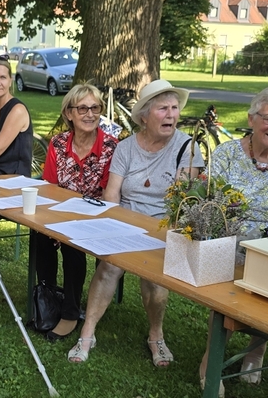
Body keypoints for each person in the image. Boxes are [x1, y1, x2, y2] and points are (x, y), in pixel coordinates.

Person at [66, 80, 204, 366]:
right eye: (162, 109)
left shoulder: (187, 148)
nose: (171, 115)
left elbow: (181, 202)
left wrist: (155, 233)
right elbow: (112, 194)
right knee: (109, 267)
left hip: (163, 226)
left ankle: (156, 334)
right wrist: (116, 227)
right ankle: (87, 332)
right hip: (125, 221)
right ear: (144, 116)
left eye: (174, 108)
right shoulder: (126, 147)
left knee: (153, 277)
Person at [199, 87, 268, 396]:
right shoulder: (226, 154)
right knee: (225, 302)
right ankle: (211, 359)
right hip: (228, 241)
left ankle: (256, 349)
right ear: (251, 119)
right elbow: (209, 204)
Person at [35, 84, 118, 340]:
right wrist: (52, 219)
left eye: (95, 108)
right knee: (39, 233)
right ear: (69, 114)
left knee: (73, 244)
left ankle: (70, 313)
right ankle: (49, 298)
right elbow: (49, 186)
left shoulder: (111, 147)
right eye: (82, 108)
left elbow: (109, 196)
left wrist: (73, 220)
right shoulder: (58, 143)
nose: (90, 114)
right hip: (60, 210)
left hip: (97, 216)